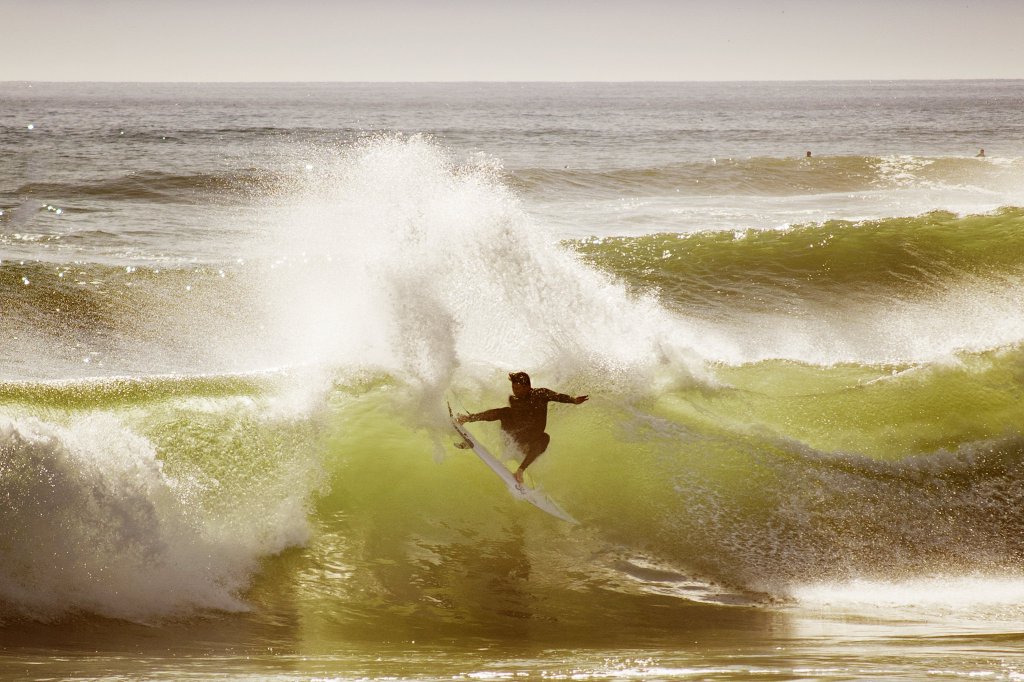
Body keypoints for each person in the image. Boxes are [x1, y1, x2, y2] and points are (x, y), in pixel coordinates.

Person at [457, 372, 588, 484]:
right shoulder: (514, 400)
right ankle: (468, 418)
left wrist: (573, 400)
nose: (515, 391)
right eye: (513, 388)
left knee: (545, 437)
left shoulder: (540, 394)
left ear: (527, 387)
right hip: (516, 438)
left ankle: (520, 471)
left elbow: (558, 396)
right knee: (505, 411)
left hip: (531, 442)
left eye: (518, 388)